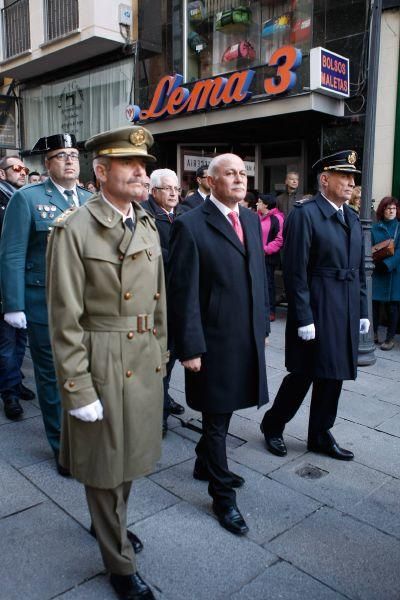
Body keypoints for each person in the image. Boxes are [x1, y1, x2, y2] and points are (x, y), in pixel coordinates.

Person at [46, 125, 167, 600]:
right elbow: (65, 318)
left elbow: (157, 304)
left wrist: (161, 353)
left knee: (130, 458)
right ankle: (118, 561)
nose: (142, 172)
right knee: (103, 466)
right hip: (100, 358)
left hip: (141, 356)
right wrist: (76, 389)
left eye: (144, 166)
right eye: (129, 165)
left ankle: (111, 527)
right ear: (101, 172)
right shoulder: (74, 228)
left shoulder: (147, 221)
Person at [168, 153, 269, 536]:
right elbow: (183, 293)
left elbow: (258, 273)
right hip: (211, 338)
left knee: (224, 410)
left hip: (243, 334)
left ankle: (203, 463)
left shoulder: (249, 218)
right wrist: (189, 347)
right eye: (231, 173)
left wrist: (262, 325)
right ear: (210, 181)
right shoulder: (190, 225)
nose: (240, 179)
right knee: (215, 415)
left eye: (243, 173)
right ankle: (222, 496)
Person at [260, 150, 369, 461]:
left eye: (353, 178)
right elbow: (295, 270)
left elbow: (359, 269)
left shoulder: (350, 216)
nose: (351, 183)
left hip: (345, 307)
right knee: (304, 373)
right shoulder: (306, 214)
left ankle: (320, 433)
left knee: (334, 374)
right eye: (344, 176)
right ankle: (273, 424)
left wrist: (363, 310)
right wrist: (304, 316)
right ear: (325, 179)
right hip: (318, 307)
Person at [0, 134, 91, 473]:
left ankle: (85, 433)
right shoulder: (28, 198)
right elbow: (12, 252)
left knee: (85, 371)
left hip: (86, 305)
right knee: (52, 376)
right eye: (61, 155)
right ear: (48, 163)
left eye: (73, 155)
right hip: (44, 301)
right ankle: (62, 445)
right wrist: (14, 304)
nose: (70, 160)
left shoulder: (89, 199)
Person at [142, 169, 188, 435]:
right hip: (155, 298)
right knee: (158, 358)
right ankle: (156, 413)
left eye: (177, 189)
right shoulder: (145, 215)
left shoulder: (181, 214)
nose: (174, 193)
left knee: (171, 356)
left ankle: (163, 398)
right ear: (154, 190)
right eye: (168, 189)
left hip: (178, 297)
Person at [0, 155, 35, 420]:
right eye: (16, 168)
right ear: (2, 174)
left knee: (21, 337)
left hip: (27, 281)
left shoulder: (25, 199)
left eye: (25, 168)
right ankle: (9, 391)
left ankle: (16, 381)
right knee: (7, 342)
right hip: (5, 283)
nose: (22, 172)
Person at [371, 196, 400, 350]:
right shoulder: (374, 228)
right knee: (374, 304)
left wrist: (388, 264)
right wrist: (377, 263)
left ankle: (389, 338)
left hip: (395, 273)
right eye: (388, 208)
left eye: (393, 208)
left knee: (393, 306)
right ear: (382, 210)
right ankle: (373, 333)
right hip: (377, 270)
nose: (391, 211)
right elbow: (370, 248)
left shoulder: (399, 227)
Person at [256, 193, 284, 322]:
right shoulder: (256, 216)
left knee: (268, 285)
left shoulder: (277, 218)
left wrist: (265, 250)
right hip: (255, 256)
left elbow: (279, 239)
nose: (257, 204)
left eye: (259, 202)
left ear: (266, 204)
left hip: (268, 257)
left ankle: (270, 311)